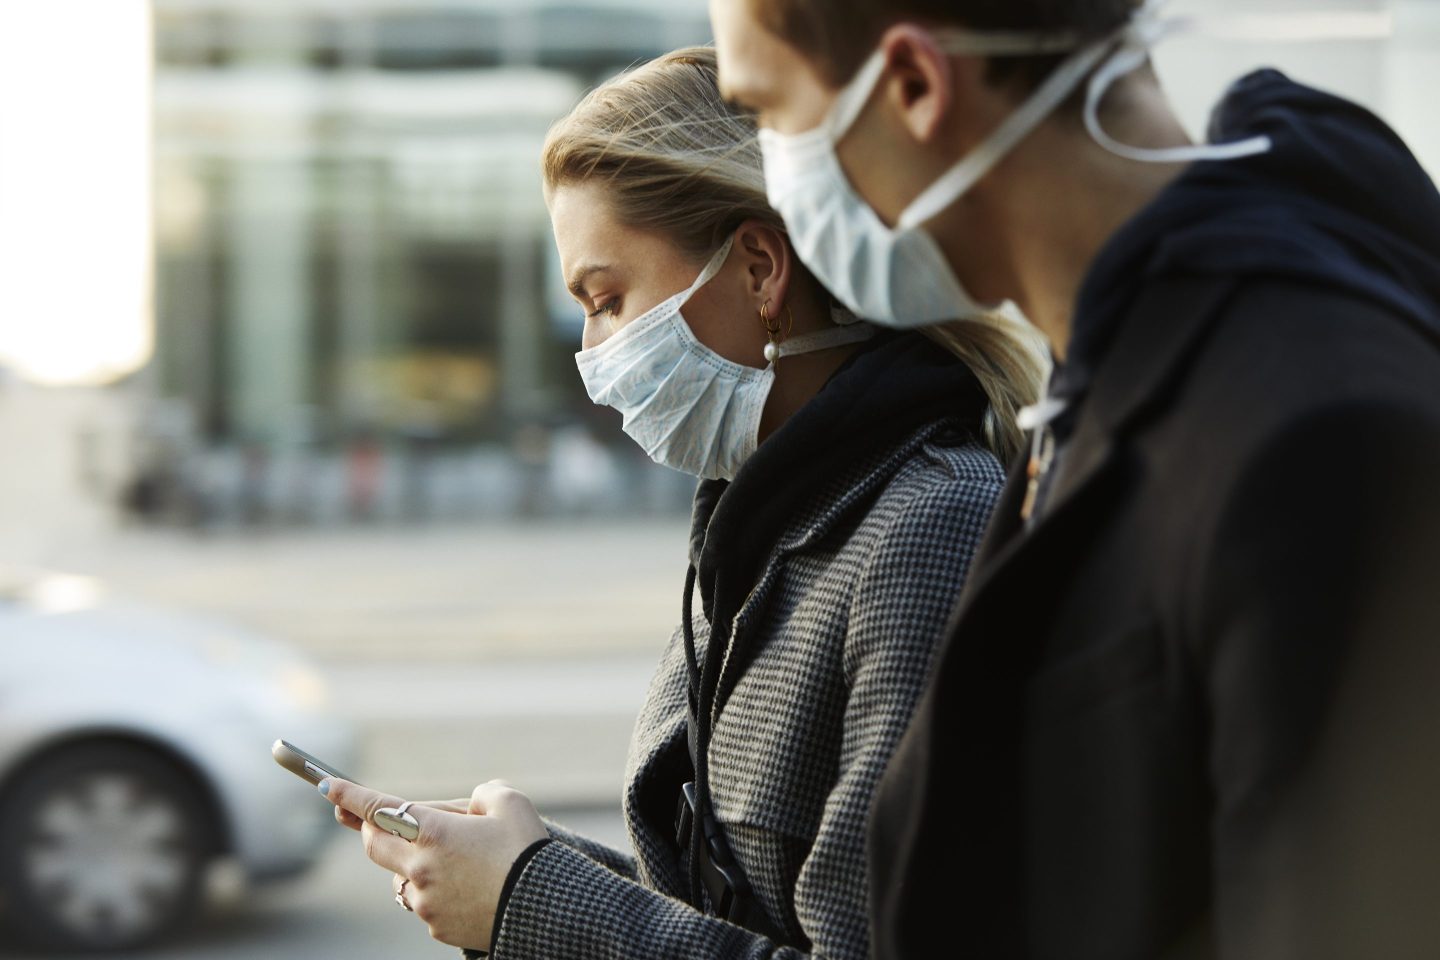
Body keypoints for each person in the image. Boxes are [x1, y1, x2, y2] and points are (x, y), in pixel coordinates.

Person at [709, 0, 1440, 956]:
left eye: (766, 110)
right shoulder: (1118, 368)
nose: (776, 168)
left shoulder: (1308, 437)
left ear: (915, 87)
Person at [318, 47, 1048, 959]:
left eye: (607, 298)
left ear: (758, 271)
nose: (592, 358)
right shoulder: (758, 523)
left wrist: (529, 902)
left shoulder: (933, 529)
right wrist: (516, 873)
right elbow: (734, 910)